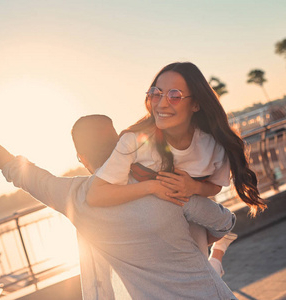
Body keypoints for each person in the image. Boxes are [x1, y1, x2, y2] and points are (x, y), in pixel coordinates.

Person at [0, 110, 237, 299]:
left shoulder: (76, 198)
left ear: (81, 159)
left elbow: (12, 166)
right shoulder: (165, 183)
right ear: (122, 145)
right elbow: (224, 224)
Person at [87, 61, 266, 276]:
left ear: (196, 104)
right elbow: (95, 195)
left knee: (204, 271)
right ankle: (217, 256)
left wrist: (192, 187)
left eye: (174, 96)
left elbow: (215, 186)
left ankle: (217, 253)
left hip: (193, 225)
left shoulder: (213, 146)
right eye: (156, 94)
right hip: (153, 232)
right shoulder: (134, 142)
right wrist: (152, 187)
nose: (161, 104)